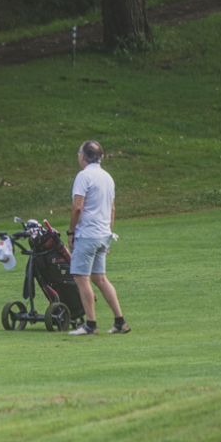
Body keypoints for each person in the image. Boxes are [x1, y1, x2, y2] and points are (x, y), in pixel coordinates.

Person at [66, 140, 129, 335]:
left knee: (80, 277)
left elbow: (77, 207)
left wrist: (70, 232)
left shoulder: (84, 176)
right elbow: (112, 209)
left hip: (87, 234)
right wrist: (108, 234)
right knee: (99, 278)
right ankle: (120, 321)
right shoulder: (107, 177)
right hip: (103, 234)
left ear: (84, 156)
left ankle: (90, 324)